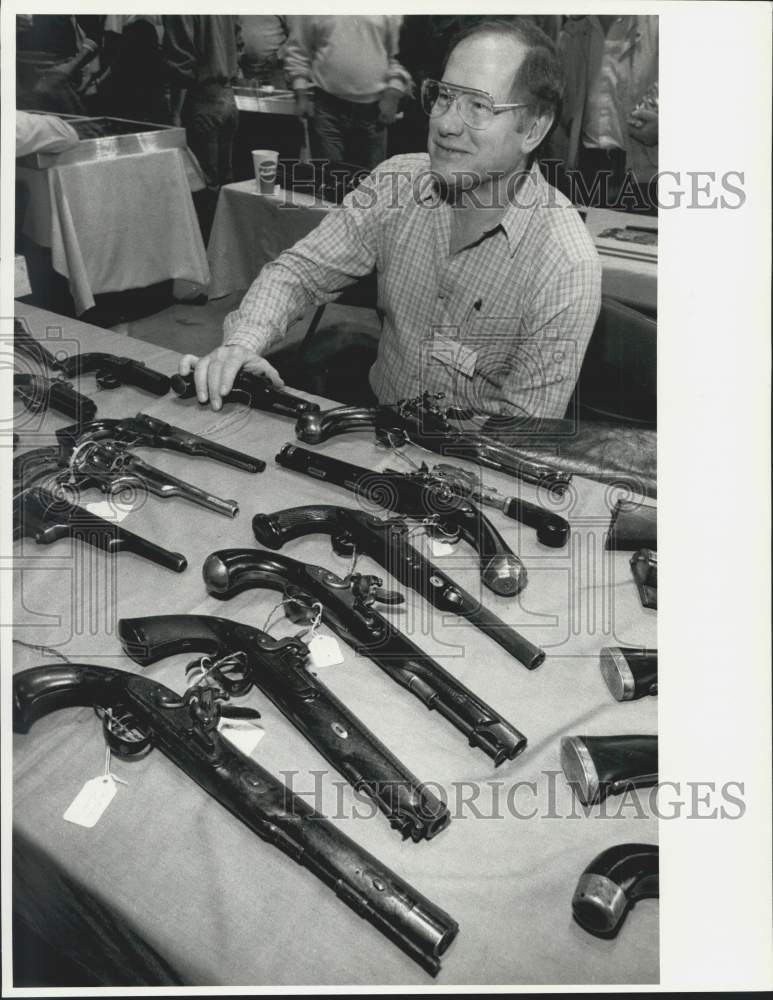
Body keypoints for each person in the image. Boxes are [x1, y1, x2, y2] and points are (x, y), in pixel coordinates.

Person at [180, 18, 601, 422]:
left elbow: (522, 438)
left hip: (469, 470)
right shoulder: (396, 183)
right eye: (444, 96)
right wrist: (241, 344)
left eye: (478, 105)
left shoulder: (564, 264)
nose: (447, 124)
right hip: (372, 427)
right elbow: (299, 271)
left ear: (534, 129)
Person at [553, 14, 658, 212]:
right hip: (586, 168)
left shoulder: (659, 21)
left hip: (645, 172)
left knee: (636, 241)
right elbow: (562, 109)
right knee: (588, 240)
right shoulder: (575, 28)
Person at [282, 15, 411, 170]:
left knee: (371, 185)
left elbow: (400, 56)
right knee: (329, 183)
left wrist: (393, 93)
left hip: (373, 113)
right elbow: (298, 51)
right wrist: (300, 92)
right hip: (326, 110)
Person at [162, 15, 241, 238]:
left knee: (204, 186)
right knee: (224, 183)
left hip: (201, 99)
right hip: (228, 97)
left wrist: (174, 113)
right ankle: (226, 252)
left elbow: (181, 62)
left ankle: (207, 259)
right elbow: (238, 40)